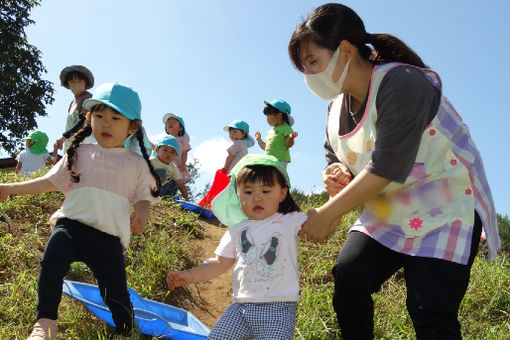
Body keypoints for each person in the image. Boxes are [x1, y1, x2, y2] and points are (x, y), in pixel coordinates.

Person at [288, 3, 500, 339]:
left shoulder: (401, 82)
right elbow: (335, 155)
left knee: (429, 310)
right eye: (304, 67)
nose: (309, 75)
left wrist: (328, 214)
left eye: (313, 62)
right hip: (389, 210)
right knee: (350, 278)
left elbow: (386, 166)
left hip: (447, 208)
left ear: (344, 50)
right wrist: (336, 173)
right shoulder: (335, 109)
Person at [0, 82, 161, 339]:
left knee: (115, 291)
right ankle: (45, 324)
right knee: (51, 263)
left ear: (133, 127)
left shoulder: (137, 165)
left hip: (109, 237)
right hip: (72, 225)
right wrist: (9, 188)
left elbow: (145, 196)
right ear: (88, 118)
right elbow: (48, 183)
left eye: (115, 118)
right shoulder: (79, 153)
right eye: (99, 116)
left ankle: (126, 331)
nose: (106, 123)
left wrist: (142, 213)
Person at [167, 154, 307, 340]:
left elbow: (323, 220)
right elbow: (219, 263)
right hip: (241, 308)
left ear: (282, 193)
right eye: (248, 192)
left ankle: (269, 253)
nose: (257, 198)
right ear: (237, 195)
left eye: (265, 191)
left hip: (278, 309)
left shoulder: (290, 221)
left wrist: (335, 192)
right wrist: (189, 275)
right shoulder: (237, 230)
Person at [54, 65, 95, 152]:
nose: (76, 84)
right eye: (72, 81)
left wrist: (64, 136)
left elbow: (85, 120)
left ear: (86, 83)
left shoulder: (87, 98)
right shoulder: (73, 102)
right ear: (68, 84)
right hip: (71, 144)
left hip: (84, 144)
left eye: (79, 81)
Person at [254, 99, 298, 169]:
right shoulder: (270, 132)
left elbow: (288, 144)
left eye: (269, 115)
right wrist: (259, 139)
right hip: (268, 160)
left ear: (279, 115)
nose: (267, 118)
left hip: (279, 161)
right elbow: (266, 148)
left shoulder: (286, 128)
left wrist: (291, 137)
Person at [151, 135, 190, 201]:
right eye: (165, 150)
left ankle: (166, 199)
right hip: (147, 187)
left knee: (174, 182)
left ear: (176, 155)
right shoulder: (152, 161)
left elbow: (180, 183)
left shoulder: (173, 167)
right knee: (161, 172)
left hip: (161, 190)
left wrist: (186, 197)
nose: (168, 154)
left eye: (172, 152)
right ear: (157, 150)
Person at [162, 113, 191, 181]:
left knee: (173, 182)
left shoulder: (182, 140)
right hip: (166, 165)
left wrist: (183, 164)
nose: (170, 123)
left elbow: (184, 152)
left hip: (178, 167)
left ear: (180, 128)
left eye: (174, 122)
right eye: (168, 122)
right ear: (166, 128)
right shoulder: (164, 140)